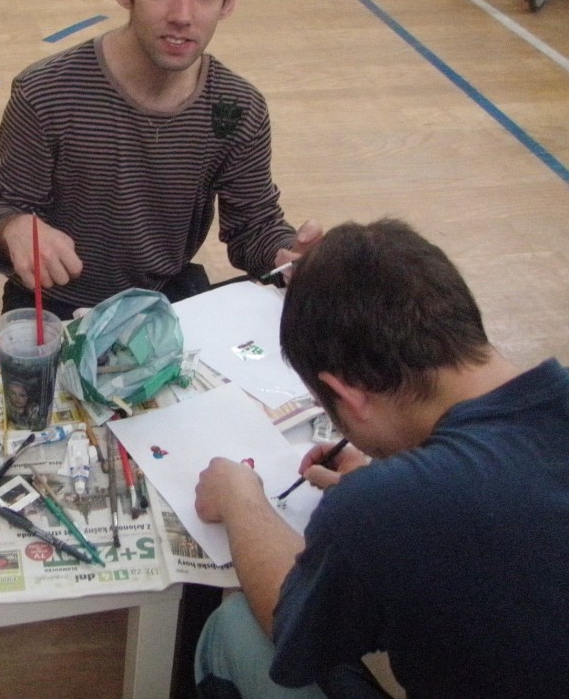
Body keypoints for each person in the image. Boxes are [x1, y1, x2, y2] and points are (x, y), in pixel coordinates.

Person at [193, 218, 569, 698]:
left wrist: (240, 499)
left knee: (232, 630)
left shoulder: (387, 505)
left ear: (348, 395)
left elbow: (294, 635)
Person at [0, 0, 321, 322]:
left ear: (228, 1)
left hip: (160, 298)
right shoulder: (45, 92)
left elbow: (253, 227)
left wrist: (287, 254)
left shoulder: (238, 107)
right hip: (53, 304)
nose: (182, 14)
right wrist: (13, 228)